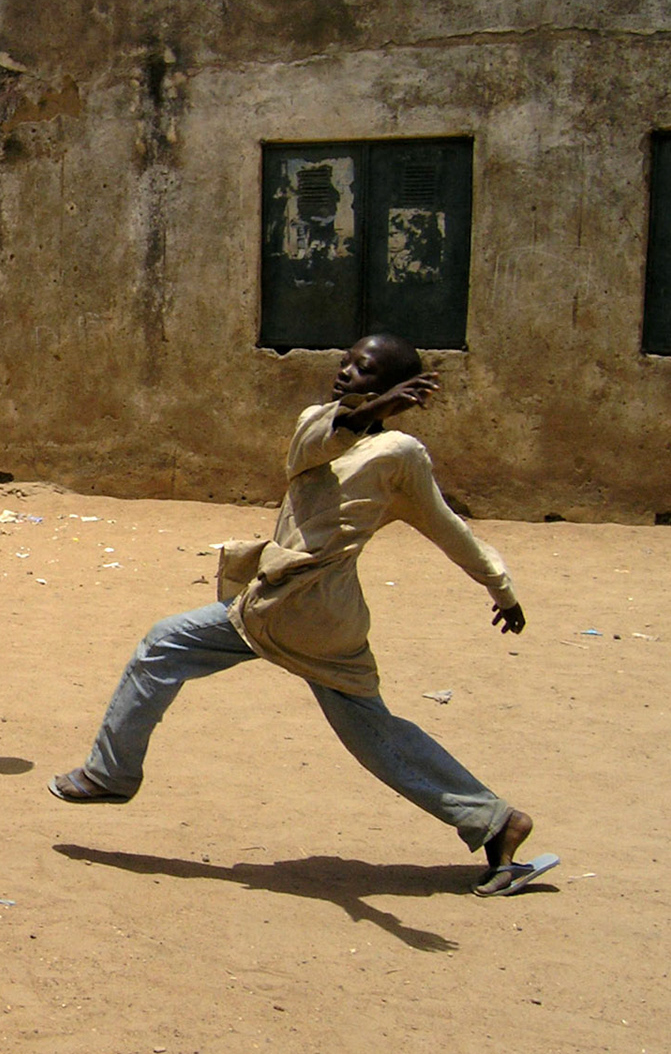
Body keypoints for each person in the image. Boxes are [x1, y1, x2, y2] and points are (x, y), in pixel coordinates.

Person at [48, 333, 557, 898]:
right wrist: (374, 408)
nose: (345, 373)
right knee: (372, 734)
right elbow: (313, 448)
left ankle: (110, 775)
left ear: (393, 385)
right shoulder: (318, 422)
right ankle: (497, 823)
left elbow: (446, 526)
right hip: (285, 605)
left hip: (309, 612)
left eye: (363, 370)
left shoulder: (400, 456)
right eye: (344, 363)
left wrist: (499, 587)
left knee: (166, 647)